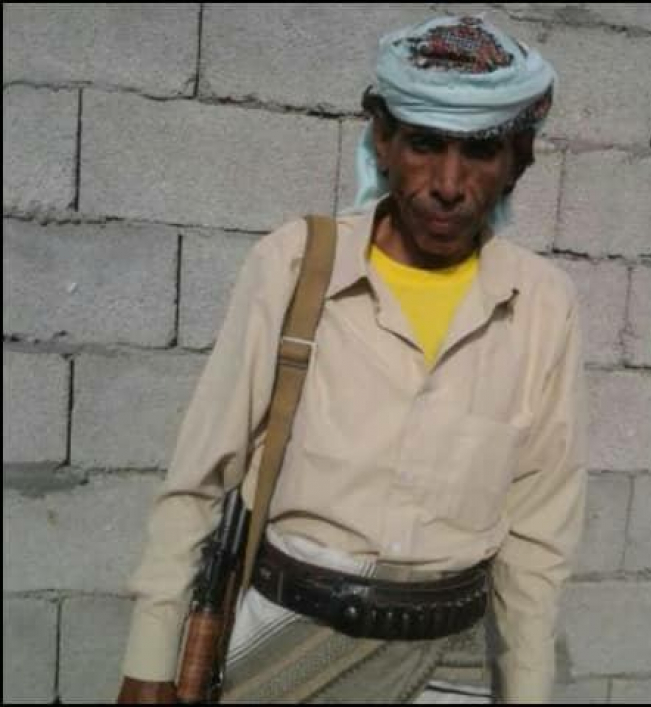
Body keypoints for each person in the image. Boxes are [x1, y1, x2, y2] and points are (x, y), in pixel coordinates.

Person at [117, 14, 587, 704]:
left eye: (481, 151)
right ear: (382, 140)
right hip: (285, 645)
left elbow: (538, 538)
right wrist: (151, 657)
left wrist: (526, 690)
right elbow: (199, 477)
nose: (448, 182)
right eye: (425, 143)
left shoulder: (542, 303)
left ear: (519, 160)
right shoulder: (296, 264)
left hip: (446, 666)